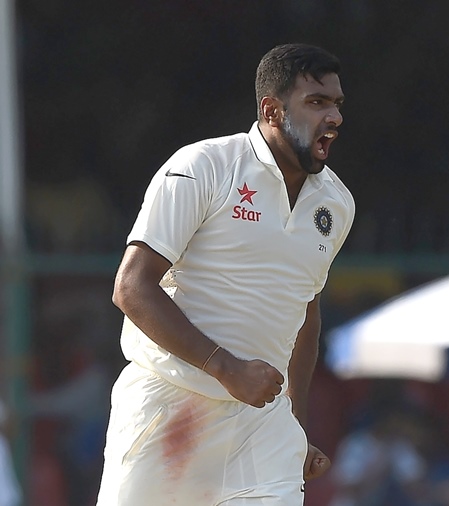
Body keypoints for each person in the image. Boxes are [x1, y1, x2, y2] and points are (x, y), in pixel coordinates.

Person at [96, 43, 354, 505]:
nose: (333, 116)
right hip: (170, 407)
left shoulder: (336, 204)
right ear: (272, 110)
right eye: (316, 103)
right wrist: (226, 368)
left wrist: (293, 425)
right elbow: (131, 287)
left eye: (336, 104)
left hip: (262, 427)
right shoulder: (204, 167)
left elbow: (305, 317)